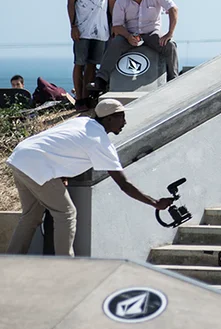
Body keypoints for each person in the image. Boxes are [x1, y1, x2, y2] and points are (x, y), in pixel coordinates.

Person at [5, 99, 173, 257]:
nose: (125, 122)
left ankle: (11, 260)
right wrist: (155, 203)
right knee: (66, 213)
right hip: (38, 166)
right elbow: (124, 184)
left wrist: (61, 173)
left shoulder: (82, 122)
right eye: (121, 117)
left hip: (21, 156)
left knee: (31, 216)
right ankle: (64, 264)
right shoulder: (100, 142)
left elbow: (61, 144)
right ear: (108, 119)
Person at [91, 0, 180, 91]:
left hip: (152, 33)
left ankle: (173, 80)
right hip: (129, 34)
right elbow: (117, 26)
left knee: (170, 45)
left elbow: (173, 9)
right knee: (115, 43)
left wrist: (169, 33)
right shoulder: (121, 1)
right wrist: (128, 36)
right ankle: (101, 81)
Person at [67, 0, 115, 111]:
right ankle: (79, 98)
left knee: (92, 65)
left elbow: (110, 0)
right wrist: (73, 26)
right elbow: (70, 2)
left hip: (101, 28)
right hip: (82, 27)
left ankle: (87, 97)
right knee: (79, 63)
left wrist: (115, 23)